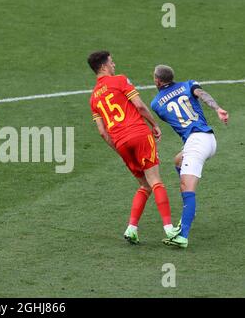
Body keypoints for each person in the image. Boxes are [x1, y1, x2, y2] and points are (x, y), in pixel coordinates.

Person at [87, 51, 179, 244]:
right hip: (138, 134)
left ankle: (131, 229)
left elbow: (103, 132)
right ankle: (170, 230)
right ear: (103, 66)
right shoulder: (119, 80)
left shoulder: (93, 98)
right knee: (155, 181)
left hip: (121, 143)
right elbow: (139, 106)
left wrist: (119, 149)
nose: (114, 64)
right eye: (111, 62)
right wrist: (154, 124)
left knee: (144, 185)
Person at [151, 65, 228, 248]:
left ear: (158, 81)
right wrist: (217, 109)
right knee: (178, 160)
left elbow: (172, 117)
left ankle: (182, 235)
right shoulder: (189, 84)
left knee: (187, 187)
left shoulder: (156, 104)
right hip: (209, 139)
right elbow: (202, 95)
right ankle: (189, 207)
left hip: (195, 143)